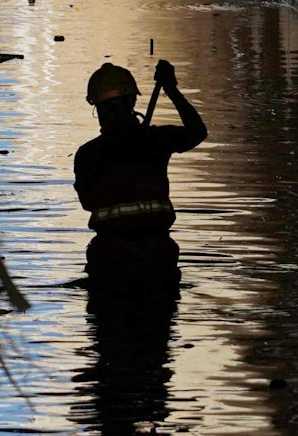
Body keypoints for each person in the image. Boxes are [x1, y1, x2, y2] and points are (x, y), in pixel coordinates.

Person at [73, 59, 207, 292]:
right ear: (132, 101)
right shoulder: (157, 140)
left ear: (99, 109)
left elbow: (87, 202)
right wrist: (171, 89)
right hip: (158, 258)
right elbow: (197, 132)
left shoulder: (87, 154)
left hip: (109, 261)